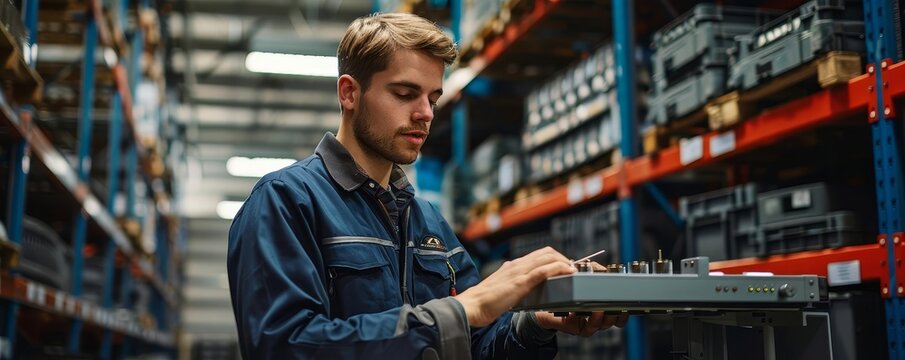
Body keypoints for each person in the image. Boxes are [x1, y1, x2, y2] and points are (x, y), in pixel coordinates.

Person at [227, 12, 626, 359]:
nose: (424, 114)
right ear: (349, 93)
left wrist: (533, 324)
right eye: (405, 94)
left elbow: (474, 342)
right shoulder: (286, 202)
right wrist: (461, 310)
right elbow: (285, 347)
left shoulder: (427, 221)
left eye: (433, 99)